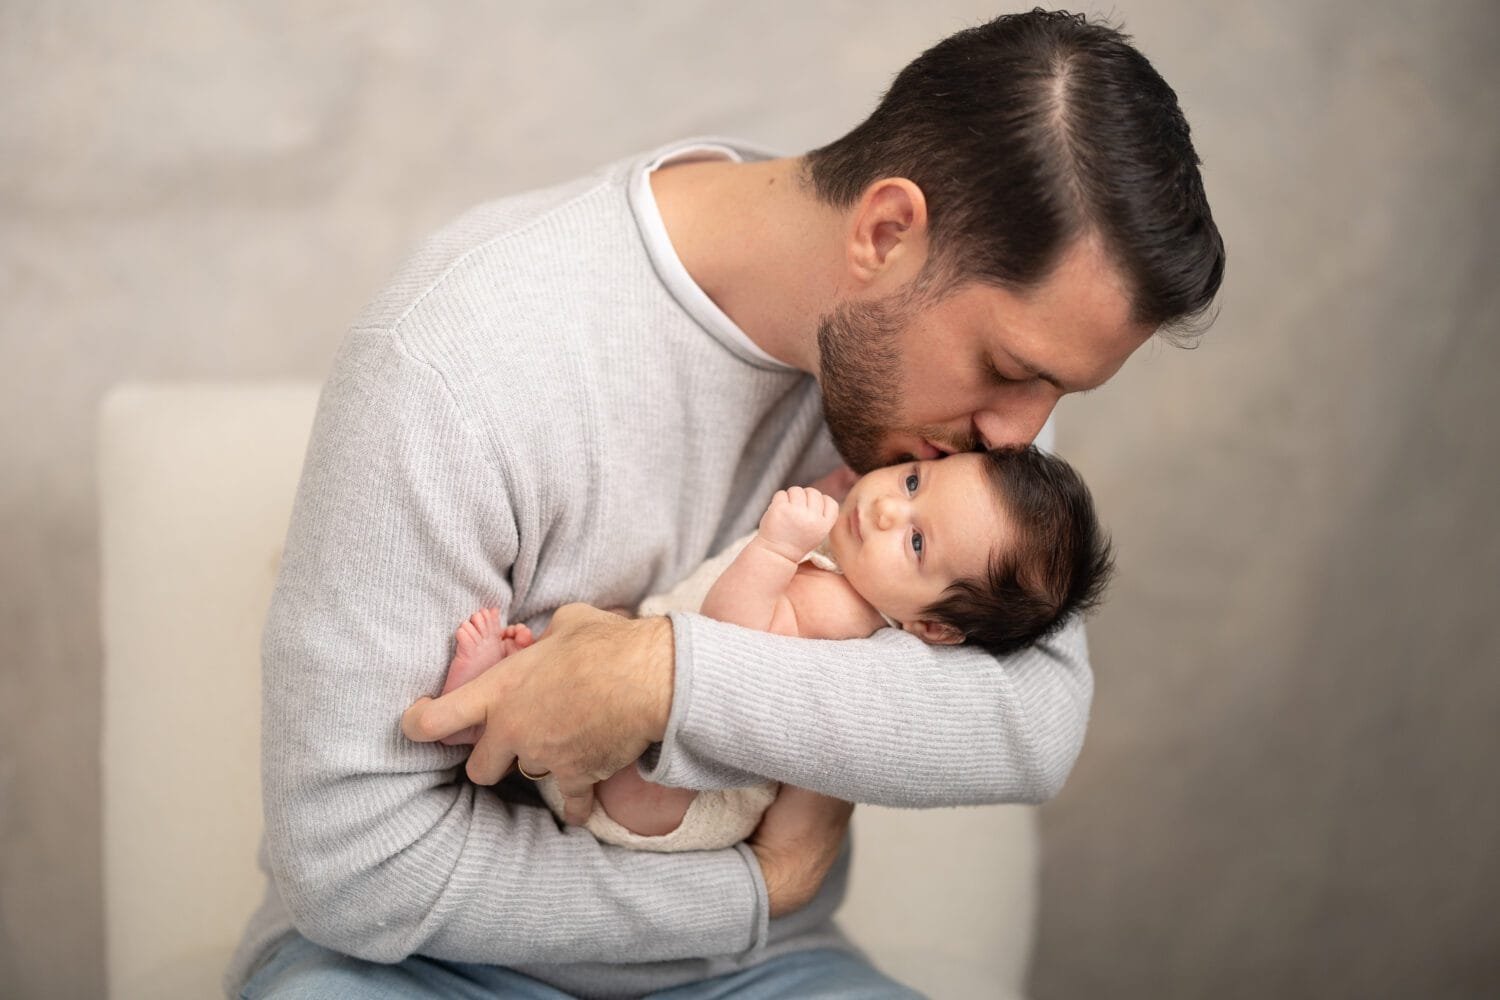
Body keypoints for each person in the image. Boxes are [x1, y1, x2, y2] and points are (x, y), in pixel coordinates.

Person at [229, 10, 1224, 998]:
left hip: (766, 976)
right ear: (887, 233)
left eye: (1055, 392)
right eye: (1012, 369)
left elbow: (1032, 717)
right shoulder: (456, 354)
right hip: (420, 967)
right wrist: (752, 892)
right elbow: (356, 863)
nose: (1021, 435)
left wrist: (667, 678)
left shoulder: (966, 428)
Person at [439, 447, 1114, 852]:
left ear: (932, 628)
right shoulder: (854, 569)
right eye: (913, 482)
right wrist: (829, 500)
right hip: (656, 740)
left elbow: (729, 649)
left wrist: (776, 546)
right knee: (591, 640)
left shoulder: (843, 612)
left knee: (584, 681)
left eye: (915, 542)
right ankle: (509, 689)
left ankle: (479, 717)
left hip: (662, 793)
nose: (885, 509)